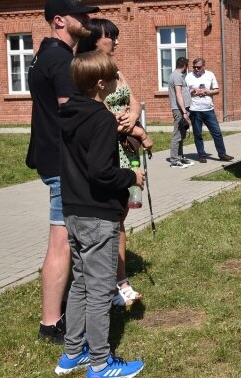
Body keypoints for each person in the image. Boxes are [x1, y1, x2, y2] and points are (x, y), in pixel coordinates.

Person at [55, 51, 145, 377]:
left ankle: (71, 353)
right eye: (110, 79)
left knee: (80, 284)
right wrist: (132, 177)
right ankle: (100, 363)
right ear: (99, 83)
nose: (114, 83)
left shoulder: (66, 113)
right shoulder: (101, 118)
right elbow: (101, 172)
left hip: (73, 211)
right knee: (99, 290)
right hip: (97, 215)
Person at [27, 0, 98, 344]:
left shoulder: (45, 55)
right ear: (59, 21)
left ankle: (56, 316)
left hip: (52, 156)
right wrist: (112, 124)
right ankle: (51, 323)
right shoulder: (59, 60)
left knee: (64, 239)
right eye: (79, 16)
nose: (86, 21)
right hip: (62, 160)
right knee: (61, 242)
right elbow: (73, 114)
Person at [76, 18, 146, 306]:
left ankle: (120, 279)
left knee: (120, 220)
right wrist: (137, 130)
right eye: (111, 37)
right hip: (109, 152)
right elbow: (102, 118)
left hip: (127, 150)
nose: (116, 42)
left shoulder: (116, 69)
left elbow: (136, 100)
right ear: (94, 40)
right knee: (111, 221)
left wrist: (133, 116)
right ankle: (111, 284)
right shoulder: (89, 73)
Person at [186, 57, 234, 163]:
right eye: (194, 67)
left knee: (217, 133)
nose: (196, 69)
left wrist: (208, 92)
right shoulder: (189, 76)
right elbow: (185, 91)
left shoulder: (210, 75)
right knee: (198, 134)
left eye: (198, 67)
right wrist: (193, 91)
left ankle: (222, 154)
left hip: (208, 110)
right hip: (195, 110)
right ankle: (201, 155)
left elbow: (217, 90)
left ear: (203, 66)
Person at [167, 57, 194, 169]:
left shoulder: (176, 75)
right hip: (179, 110)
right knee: (177, 135)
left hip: (181, 109)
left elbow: (181, 91)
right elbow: (178, 94)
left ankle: (180, 157)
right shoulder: (177, 76)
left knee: (182, 135)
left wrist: (190, 91)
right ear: (184, 66)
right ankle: (174, 160)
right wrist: (184, 112)